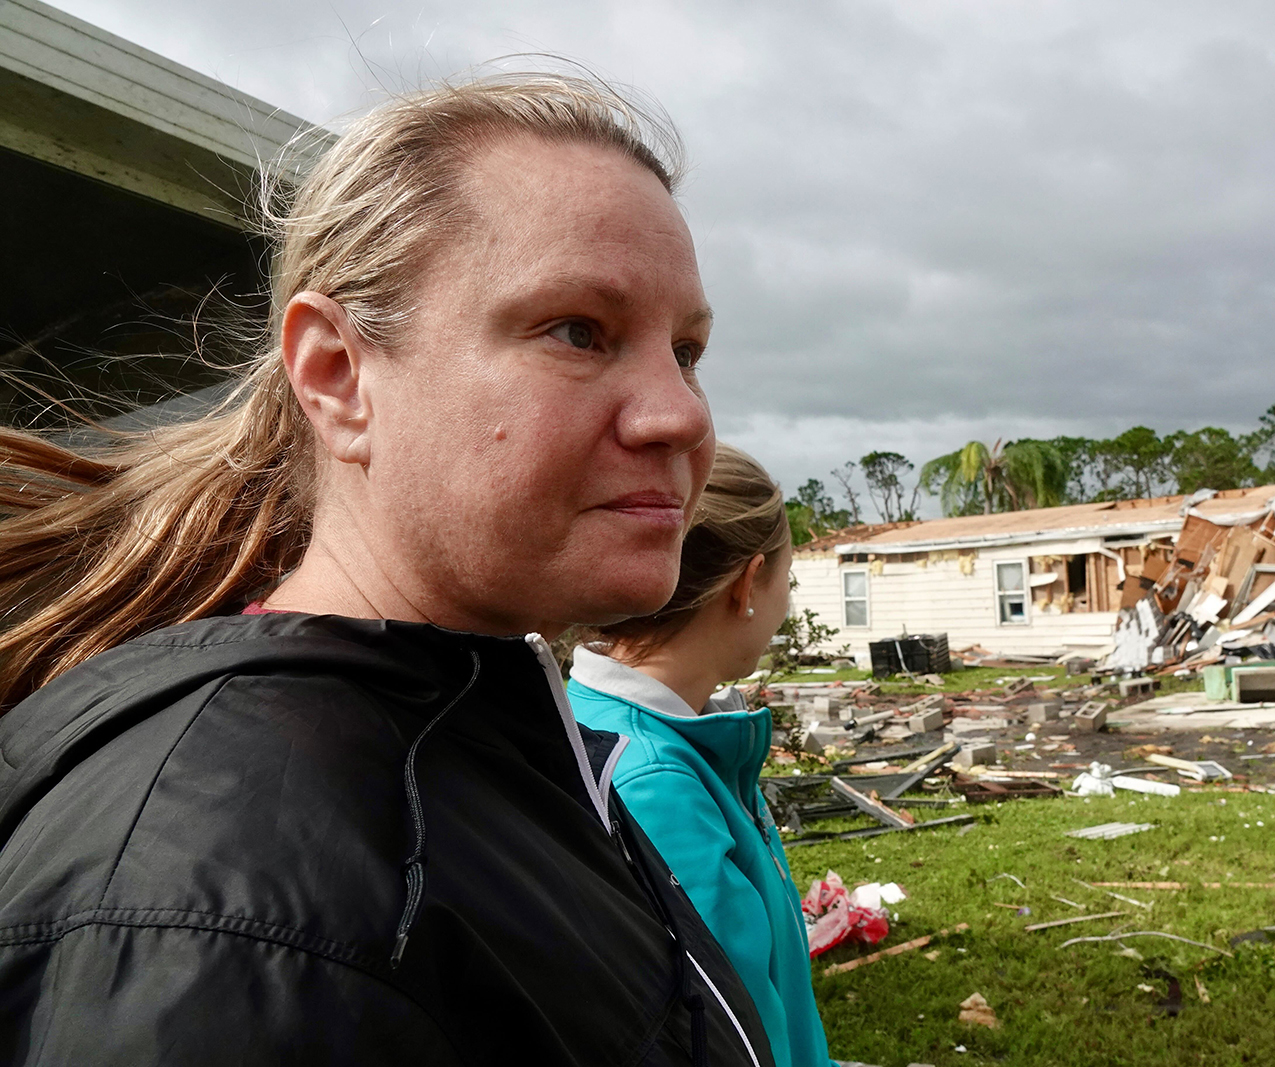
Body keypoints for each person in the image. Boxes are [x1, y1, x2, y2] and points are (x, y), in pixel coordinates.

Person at [0, 74, 774, 1066]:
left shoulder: (472, 733)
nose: (681, 415)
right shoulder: (230, 907)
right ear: (338, 375)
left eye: (686, 349)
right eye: (578, 330)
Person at [567, 444, 832, 1067]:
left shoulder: (630, 732)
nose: (784, 607)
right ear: (746, 586)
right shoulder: (658, 782)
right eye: (785, 582)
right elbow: (736, 1040)